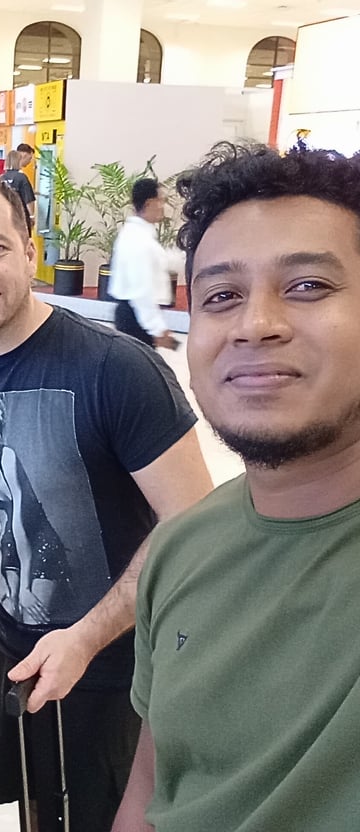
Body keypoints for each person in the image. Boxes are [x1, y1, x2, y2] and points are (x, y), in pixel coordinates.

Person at [0, 172, 212, 830]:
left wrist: (84, 638)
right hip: (19, 646)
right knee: (37, 805)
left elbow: (194, 525)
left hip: (115, 662)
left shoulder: (115, 370)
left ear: (29, 251)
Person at [113, 143, 360, 832]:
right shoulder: (182, 546)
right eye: (221, 296)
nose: (256, 325)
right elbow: (154, 783)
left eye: (308, 285)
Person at [0, 393, 69, 625]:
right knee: (8, 608)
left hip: (40, 538)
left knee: (32, 616)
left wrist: (25, 588)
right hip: (10, 541)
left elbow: (20, 525)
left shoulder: (8, 457)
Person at [109, 178, 178, 350]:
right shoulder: (137, 240)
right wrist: (157, 328)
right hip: (135, 319)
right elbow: (140, 291)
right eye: (161, 200)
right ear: (149, 203)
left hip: (137, 317)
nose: (163, 205)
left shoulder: (141, 235)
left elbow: (164, 260)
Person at [1, 150, 35, 232]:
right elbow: (29, 200)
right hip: (20, 216)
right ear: (18, 161)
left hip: (4, 216)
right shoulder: (22, 177)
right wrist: (32, 216)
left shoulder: (1, 178)